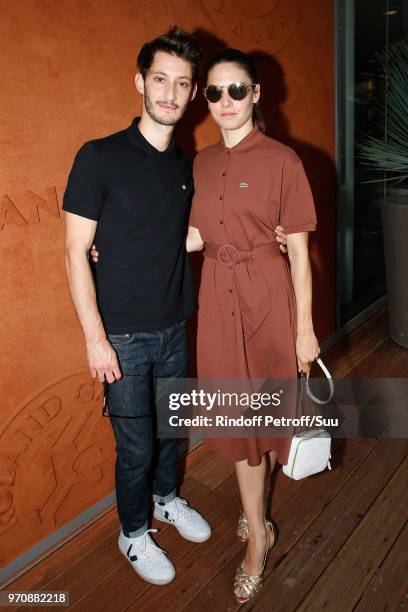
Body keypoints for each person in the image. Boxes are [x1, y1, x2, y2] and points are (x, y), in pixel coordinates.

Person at [62, 27, 212, 587]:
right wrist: (94, 339)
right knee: (135, 445)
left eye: (181, 83)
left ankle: (168, 499)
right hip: (123, 337)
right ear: (140, 83)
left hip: (175, 323)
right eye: (160, 80)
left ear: (192, 93)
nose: (170, 93)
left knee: (172, 430)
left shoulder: (183, 167)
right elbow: (77, 252)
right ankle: (132, 531)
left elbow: (184, 237)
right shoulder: (98, 157)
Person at [186, 48, 320, 604]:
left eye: (236, 90)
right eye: (214, 92)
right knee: (239, 420)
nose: (224, 102)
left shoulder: (284, 159)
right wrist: (118, 251)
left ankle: (256, 536)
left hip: (268, 298)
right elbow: (193, 238)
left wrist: (304, 329)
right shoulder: (200, 162)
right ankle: (258, 523)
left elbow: (297, 252)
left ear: (257, 94)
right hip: (218, 298)